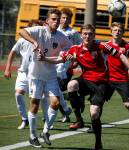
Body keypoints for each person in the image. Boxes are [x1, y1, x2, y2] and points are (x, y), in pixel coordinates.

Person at [37, 24, 129, 150]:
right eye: (85, 34)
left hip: (102, 83)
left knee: (94, 113)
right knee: (71, 85)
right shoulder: (75, 49)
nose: (87, 36)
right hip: (86, 80)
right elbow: (59, 59)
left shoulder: (102, 46)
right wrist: (45, 58)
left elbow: (121, 55)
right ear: (81, 35)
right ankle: (79, 120)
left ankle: (98, 143)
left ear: (94, 35)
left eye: (90, 34)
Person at [19, 8, 72, 148]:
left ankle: (45, 131)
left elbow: (68, 53)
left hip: (51, 76)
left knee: (55, 103)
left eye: (58, 19)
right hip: (35, 75)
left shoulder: (62, 37)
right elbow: (22, 31)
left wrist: (66, 56)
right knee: (35, 105)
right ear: (47, 20)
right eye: (53, 19)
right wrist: (34, 42)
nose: (56, 21)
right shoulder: (39, 30)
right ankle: (32, 136)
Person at [4, 19, 49, 130]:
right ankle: (24, 119)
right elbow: (12, 53)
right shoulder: (21, 41)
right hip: (23, 73)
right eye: (32, 29)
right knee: (18, 94)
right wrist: (7, 68)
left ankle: (46, 118)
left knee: (40, 98)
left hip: (37, 73)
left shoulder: (44, 40)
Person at [105, 22, 129, 132]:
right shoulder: (105, 46)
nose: (117, 32)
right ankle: (95, 125)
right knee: (98, 102)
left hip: (122, 80)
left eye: (119, 30)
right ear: (111, 32)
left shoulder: (128, 46)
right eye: (115, 30)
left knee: (128, 104)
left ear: (123, 32)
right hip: (107, 80)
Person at [56, 7, 82, 123]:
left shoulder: (73, 33)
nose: (65, 20)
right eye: (63, 17)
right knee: (55, 91)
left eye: (68, 18)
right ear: (59, 19)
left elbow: (80, 47)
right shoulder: (54, 30)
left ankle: (65, 111)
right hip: (54, 64)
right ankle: (66, 110)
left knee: (56, 90)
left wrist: (76, 61)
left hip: (67, 67)